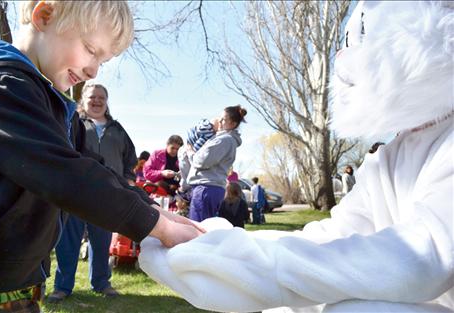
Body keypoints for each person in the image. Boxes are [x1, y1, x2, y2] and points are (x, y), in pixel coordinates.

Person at [138, 2, 454, 313]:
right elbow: (336, 236)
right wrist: (217, 244)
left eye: (360, 35)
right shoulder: (390, 157)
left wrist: (239, 262)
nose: (343, 58)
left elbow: (419, 259)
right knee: (291, 305)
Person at [0, 2, 202, 311]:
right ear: (44, 16)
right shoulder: (0, 86)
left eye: (103, 60)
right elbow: (66, 176)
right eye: (90, 49)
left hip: (21, 286)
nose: (93, 70)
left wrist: (157, 209)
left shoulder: (58, 109)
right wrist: (160, 229)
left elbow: (96, 170)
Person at [49, 83, 137, 302]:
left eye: (101, 98)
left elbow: (130, 158)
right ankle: (62, 287)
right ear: (83, 100)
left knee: (101, 241)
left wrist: (127, 179)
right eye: (92, 97)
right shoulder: (72, 123)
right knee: (68, 241)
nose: (97, 101)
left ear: (106, 102)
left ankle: (101, 283)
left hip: (107, 194)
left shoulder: (117, 129)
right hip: (75, 191)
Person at [187, 105, 247, 222]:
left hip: (206, 188)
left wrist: (190, 152)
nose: (219, 121)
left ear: (233, 124)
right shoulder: (225, 139)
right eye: (220, 118)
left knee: (199, 230)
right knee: (204, 229)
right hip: (210, 188)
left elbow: (201, 161)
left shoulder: (224, 140)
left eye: (223, 119)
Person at [178, 118, 219, 193]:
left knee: (186, 173)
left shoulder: (202, 126)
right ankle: (184, 188)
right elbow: (195, 152)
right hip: (188, 151)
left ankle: (184, 188)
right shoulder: (208, 135)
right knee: (187, 173)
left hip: (186, 149)